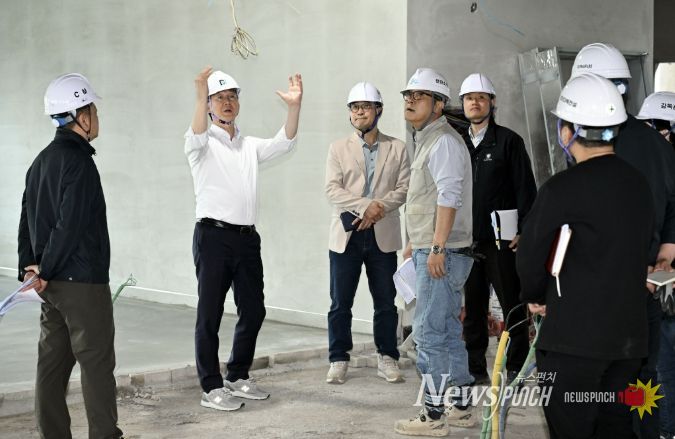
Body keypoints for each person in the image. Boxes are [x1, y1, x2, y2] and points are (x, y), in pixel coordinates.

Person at [517, 73, 655, 439]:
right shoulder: (638, 184)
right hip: (628, 341)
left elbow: (530, 254)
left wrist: (535, 295)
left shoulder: (561, 188)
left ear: (567, 132)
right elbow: (645, 247)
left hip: (573, 341)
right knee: (616, 426)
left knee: (571, 428)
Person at [571, 43, 675, 438]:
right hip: (645, 286)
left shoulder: (592, 144)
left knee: (603, 381)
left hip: (605, 292)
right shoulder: (656, 144)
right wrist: (664, 256)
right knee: (641, 376)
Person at [185, 67, 303, 411]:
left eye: (232, 97)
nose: (227, 102)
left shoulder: (249, 145)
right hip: (213, 237)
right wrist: (199, 95)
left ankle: (237, 375)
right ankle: (211, 386)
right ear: (209, 105)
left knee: (254, 309)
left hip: (247, 239)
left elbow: (284, 142)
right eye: (219, 98)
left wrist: (294, 107)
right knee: (210, 313)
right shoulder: (201, 142)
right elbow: (196, 130)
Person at [18, 73, 124, 438]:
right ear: (81, 115)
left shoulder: (40, 162)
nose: (97, 116)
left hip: (51, 287)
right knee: (96, 364)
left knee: (51, 367)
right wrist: (46, 267)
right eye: (93, 109)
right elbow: (70, 225)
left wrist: (31, 268)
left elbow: (25, 219)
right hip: (82, 284)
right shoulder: (79, 163)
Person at [394, 68, 475, 437]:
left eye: (420, 96)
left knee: (427, 332)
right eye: (408, 95)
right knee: (446, 330)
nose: (411, 101)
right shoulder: (429, 139)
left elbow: (449, 196)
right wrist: (418, 240)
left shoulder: (442, 141)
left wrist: (437, 246)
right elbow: (427, 198)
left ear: (439, 105)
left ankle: (433, 415)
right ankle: (460, 406)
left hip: (444, 252)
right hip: (437, 247)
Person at [324, 82, 410, 385]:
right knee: (340, 302)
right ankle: (338, 358)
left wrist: (378, 209)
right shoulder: (338, 148)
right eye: (355, 107)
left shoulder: (397, 147)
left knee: (386, 301)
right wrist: (366, 207)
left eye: (365, 106)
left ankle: (387, 357)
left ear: (379, 110)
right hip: (346, 234)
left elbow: (404, 188)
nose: (359, 112)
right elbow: (332, 189)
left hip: (382, 235)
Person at [458, 73, 537, 385]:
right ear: (463, 104)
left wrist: (525, 229)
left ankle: (516, 366)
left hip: (501, 241)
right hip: (467, 239)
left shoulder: (508, 142)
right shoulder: (458, 142)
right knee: (473, 306)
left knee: (512, 304)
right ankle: (475, 367)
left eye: (481, 98)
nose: (475, 103)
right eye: (469, 98)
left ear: (491, 103)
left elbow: (525, 188)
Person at [637, 90, 675, 439]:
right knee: (656, 367)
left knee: (660, 366)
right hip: (658, 286)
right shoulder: (650, 171)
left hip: (660, 285)